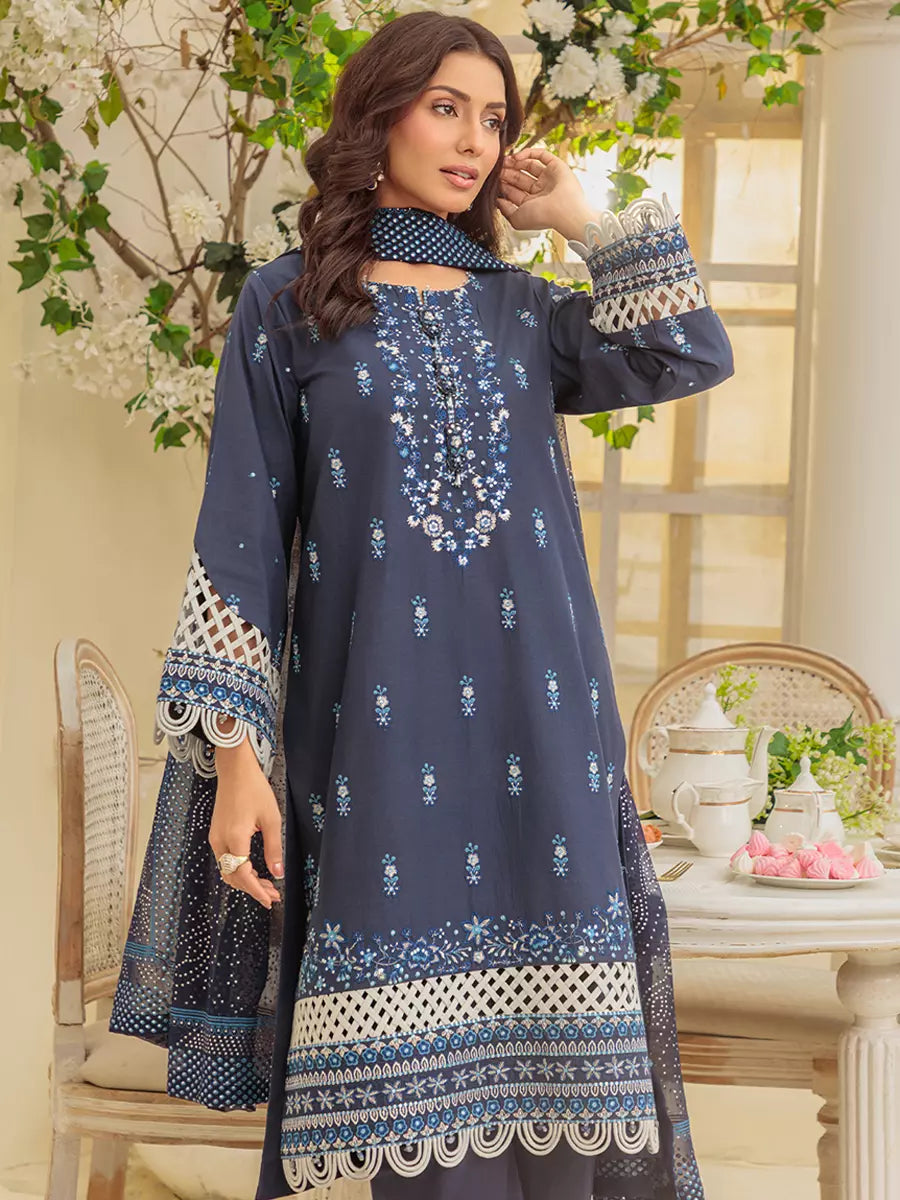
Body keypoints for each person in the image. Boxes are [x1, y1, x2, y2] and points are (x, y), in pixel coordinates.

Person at [109, 10, 733, 1200]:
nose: (474, 140)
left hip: (545, 729)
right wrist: (236, 759)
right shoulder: (290, 307)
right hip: (373, 737)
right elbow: (240, 542)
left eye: (493, 119)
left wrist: (582, 220)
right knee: (410, 1098)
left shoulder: (525, 311)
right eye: (446, 108)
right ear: (378, 116)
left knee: (561, 1089)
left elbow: (686, 352)